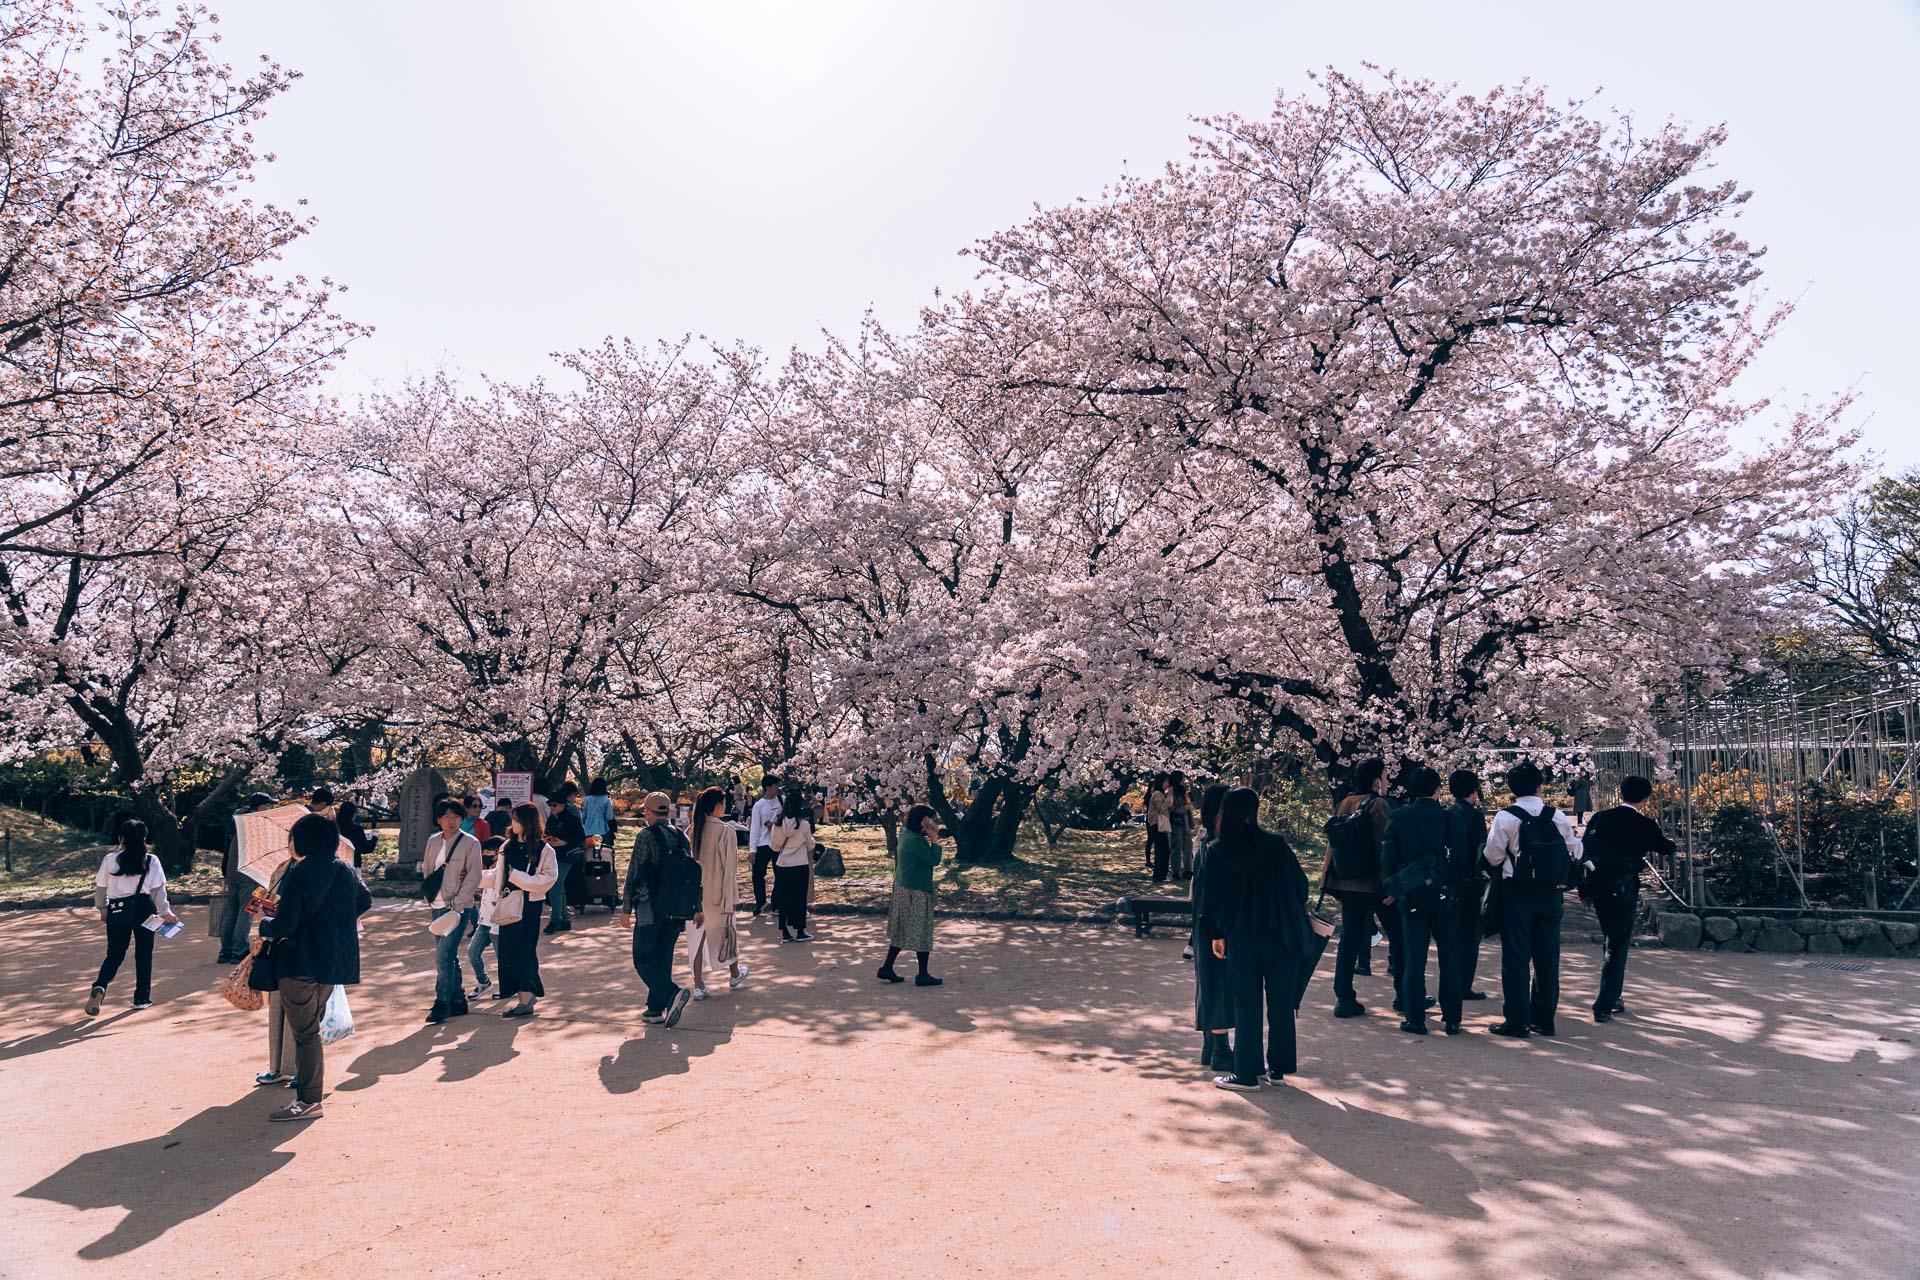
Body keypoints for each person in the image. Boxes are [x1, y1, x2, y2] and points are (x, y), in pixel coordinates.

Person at [257, 812, 373, 1122]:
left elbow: (284, 925)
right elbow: (365, 900)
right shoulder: (346, 870)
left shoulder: (301, 873)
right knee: (311, 1028)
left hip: (300, 959)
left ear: (304, 840)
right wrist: (334, 921)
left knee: (305, 1033)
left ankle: (309, 1099)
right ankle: (308, 1095)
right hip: (333, 959)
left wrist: (264, 924)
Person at [1202, 788, 1312, 1092]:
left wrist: (1217, 934)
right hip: (1280, 935)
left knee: (1246, 1005)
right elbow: (1301, 886)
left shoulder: (1216, 851)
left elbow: (1211, 899)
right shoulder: (1275, 846)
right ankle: (1278, 1069)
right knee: (1281, 1004)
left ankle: (1247, 1073)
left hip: (1241, 937)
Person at [1483, 760, 1582, 1038]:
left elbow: (1493, 856)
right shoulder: (1557, 816)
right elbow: (1576, 850)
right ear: (1540, 785)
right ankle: (1544, 1019)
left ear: (1511, 788)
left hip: (1518, 895)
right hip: (1551, 895)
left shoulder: (1506, 816)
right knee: (1547, 958)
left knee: (1516, 958)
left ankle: (1517, 1021)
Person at [1579, 775, 1674, 1023]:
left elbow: (1582, 850)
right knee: (1617, 946)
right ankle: (1605, 1004)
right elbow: (1665, 848)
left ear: (1621, 794)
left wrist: (1583, 888)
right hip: (1624, 888)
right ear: (1645, 798)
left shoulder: (1600, 818)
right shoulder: (1645, 824)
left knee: (1611, 940)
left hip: (1599, 887)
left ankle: (1614, 995)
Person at [1381, 766, 1465, 1035]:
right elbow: (1462, 860)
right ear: (1437, 789)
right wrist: (1452, 886)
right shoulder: (1450, 818)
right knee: (1450, 957)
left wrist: (1396, 887)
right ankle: (1452, 1018)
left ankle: (1415, 1018)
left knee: (1414, 958)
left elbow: (1388, 859)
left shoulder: (1399, 817)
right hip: (1444, 894)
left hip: (1413, 895)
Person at [1323, 758, 1403, 1018]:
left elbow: (1332, 846)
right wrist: (1391, 885)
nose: (1387, 781)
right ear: (1376, 780)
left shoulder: (1344, 803)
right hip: (1374, 885)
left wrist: (1328, 882)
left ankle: (1343, 997)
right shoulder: (1378, 805)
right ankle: (1405, 994)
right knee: (1399, 938)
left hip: (1347, 883)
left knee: (1349, 940)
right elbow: (1384, 847)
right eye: (1385, 776)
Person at [620, 791, 697, 1028]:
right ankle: (654, 1009)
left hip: (650, 907)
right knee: (662, 958)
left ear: (648, 812)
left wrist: (625, 907)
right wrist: (697, 906)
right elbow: (692, 875)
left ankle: (671, 994)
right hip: (676, 909)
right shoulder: (681, 836)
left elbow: (634, 872)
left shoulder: (646, 836)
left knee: (642, 958)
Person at [86, 821, 179, 1014]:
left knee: (115, 953)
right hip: (144, 908)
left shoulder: (110, 859)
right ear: (144, 838)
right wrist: (166, 912)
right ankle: (141, 998)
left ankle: (101, 985)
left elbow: (101, 888)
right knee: (144, 954)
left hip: (117, 909)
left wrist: (102, 908)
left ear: (122, 838)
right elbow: (158, 891)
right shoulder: (151, 860)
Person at [422, 799, 483, 1024]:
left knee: (443, 956)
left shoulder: (470, 843)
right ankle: (458, 999)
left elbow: (474, 876)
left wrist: (458, 904)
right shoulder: (432, 841)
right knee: (447, 956)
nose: (451, 820)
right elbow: (428, 869)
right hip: (436, 905)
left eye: (456, 816)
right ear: (438, 820)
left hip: (457, 907)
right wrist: (429, 896)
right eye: (446, 816)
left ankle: (442, 1002)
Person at [495, 802, 558, 1018]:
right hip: (508, 902)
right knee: (508, 951)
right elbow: (498, 876)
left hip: (530, 905)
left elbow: (548, 879)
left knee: (524, 950)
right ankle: (525, 994)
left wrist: (517, 877)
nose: (513, 823)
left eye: (517, 819)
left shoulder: (543, 849)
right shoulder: (507, 846)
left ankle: (525, 998)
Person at [1190, 783, 1235, 1071]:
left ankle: (1210, 1045)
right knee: (1218, 982)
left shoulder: (1206, 842)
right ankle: (1220, 1049)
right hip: (1215, 923)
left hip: (1202, 921)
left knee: (1207, 980)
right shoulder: (1218, 846)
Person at [686, 786, 747, 999]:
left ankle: (698, 984)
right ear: (717, 806)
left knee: (696, 939)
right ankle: (734, 973)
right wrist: (731, 899)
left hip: (695, 896)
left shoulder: (693, 830)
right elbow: (729, 869)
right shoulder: (725, 831)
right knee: (727, 933)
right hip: (718, 894)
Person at [879, 804, 944, 986]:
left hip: (903, 888)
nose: (935, 822)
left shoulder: (906, 834)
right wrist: (934, 839)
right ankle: (922, 974)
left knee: (901, 929)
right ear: (924, 821)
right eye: (932, 819)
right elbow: (934, 860)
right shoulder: (916, 841)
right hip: (916, 890)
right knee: (922, 931)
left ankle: (887, 967)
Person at [1445, 770, 1491, 1002]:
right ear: (1473, 790)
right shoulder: (1475, 815)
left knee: (1451, 935)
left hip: (1449, 881)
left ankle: (1451, 982)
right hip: (1470, 883)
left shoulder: (1448, 813)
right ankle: (1464, 985)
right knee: (1470, 936)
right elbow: (1482, 851)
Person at [214, 792, 275, 964]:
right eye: (268, 805)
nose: (270, 808)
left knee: (231, 911)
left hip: (232, 871)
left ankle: (225, 951)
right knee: (246, 912)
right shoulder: (256, 823)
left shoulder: (237, 819)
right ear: (261, 807)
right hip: (249, 874)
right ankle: (239, 951)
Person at [770, 787, 816, 943]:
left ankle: (784, 931)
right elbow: (811, 845)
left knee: (784, 898)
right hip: (800, 865)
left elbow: (774, 846)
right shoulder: (803, 825)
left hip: (782, 865)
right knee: (799, 899)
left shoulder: (777, 824)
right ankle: (800, 930)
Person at [543, 781, 586, 934]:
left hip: (568, 856)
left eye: (555, 805)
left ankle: (555, 919)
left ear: (562, 805)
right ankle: (564, 919)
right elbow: (548, 832)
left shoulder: (571, 817)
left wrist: (565, 842)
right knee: (558, 887)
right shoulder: (552, 818)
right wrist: (548, 838)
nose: (552, 808)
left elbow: (581, 836)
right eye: (550, 805)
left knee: (555, 885)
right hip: (554, 854)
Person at [467, 836, 506, 999]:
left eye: (489, 851)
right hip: (484, 921)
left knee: (502, 958)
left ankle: (507, 986)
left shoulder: (503, 869)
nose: (486, 854)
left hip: (498, 921)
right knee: (472, 952)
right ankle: (483, 982)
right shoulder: (488, 869)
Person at [748, 775, 782, 917]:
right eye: (775, 786)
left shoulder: (782, 801)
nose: (778, 789)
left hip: (778, 843)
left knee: (780, 874)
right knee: (757, 875)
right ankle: (760, 902)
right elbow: (755, 828)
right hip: (763, 844)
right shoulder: (759, 805)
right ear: (768, 788)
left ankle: (776, 904)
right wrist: (752, 849)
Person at [1145, 774, 1173, 882]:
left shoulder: (1160, 794)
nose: (1167, 784)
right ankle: (1159, 875)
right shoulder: (1157, 794)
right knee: (1162, 850)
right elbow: (1162, 808)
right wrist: (1170, 794)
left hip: (1158, 825)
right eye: (1166, 782)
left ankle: (1161, 875)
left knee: (1163, 849)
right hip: (1157, 825)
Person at [1169, 774, 1195, 881]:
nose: (1184, 781)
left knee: (1188, 846)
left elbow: (1194, 799)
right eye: (1182, 779)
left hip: (1185, 821)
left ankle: (1188, 870)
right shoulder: (1171, 792)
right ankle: (1176, 871)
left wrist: (1192, 785)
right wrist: (1184, 808)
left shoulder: (1184, 791)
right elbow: (1171, 808)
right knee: (1177, 846)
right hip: (1176, 822)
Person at [335, 800, 376, 868]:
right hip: (353, 863)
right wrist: (374, 838)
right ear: (353, 814)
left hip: (335, 862)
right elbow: (364, 848)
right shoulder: (356, 829)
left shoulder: (331, 826)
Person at [582, 777, 614, 857]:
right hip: (603, 830)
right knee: (605, 852)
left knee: (588, 853)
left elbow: (583, 816)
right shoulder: (606, 801)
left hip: (588, 830)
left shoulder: (586, 800)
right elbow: (609, 817)